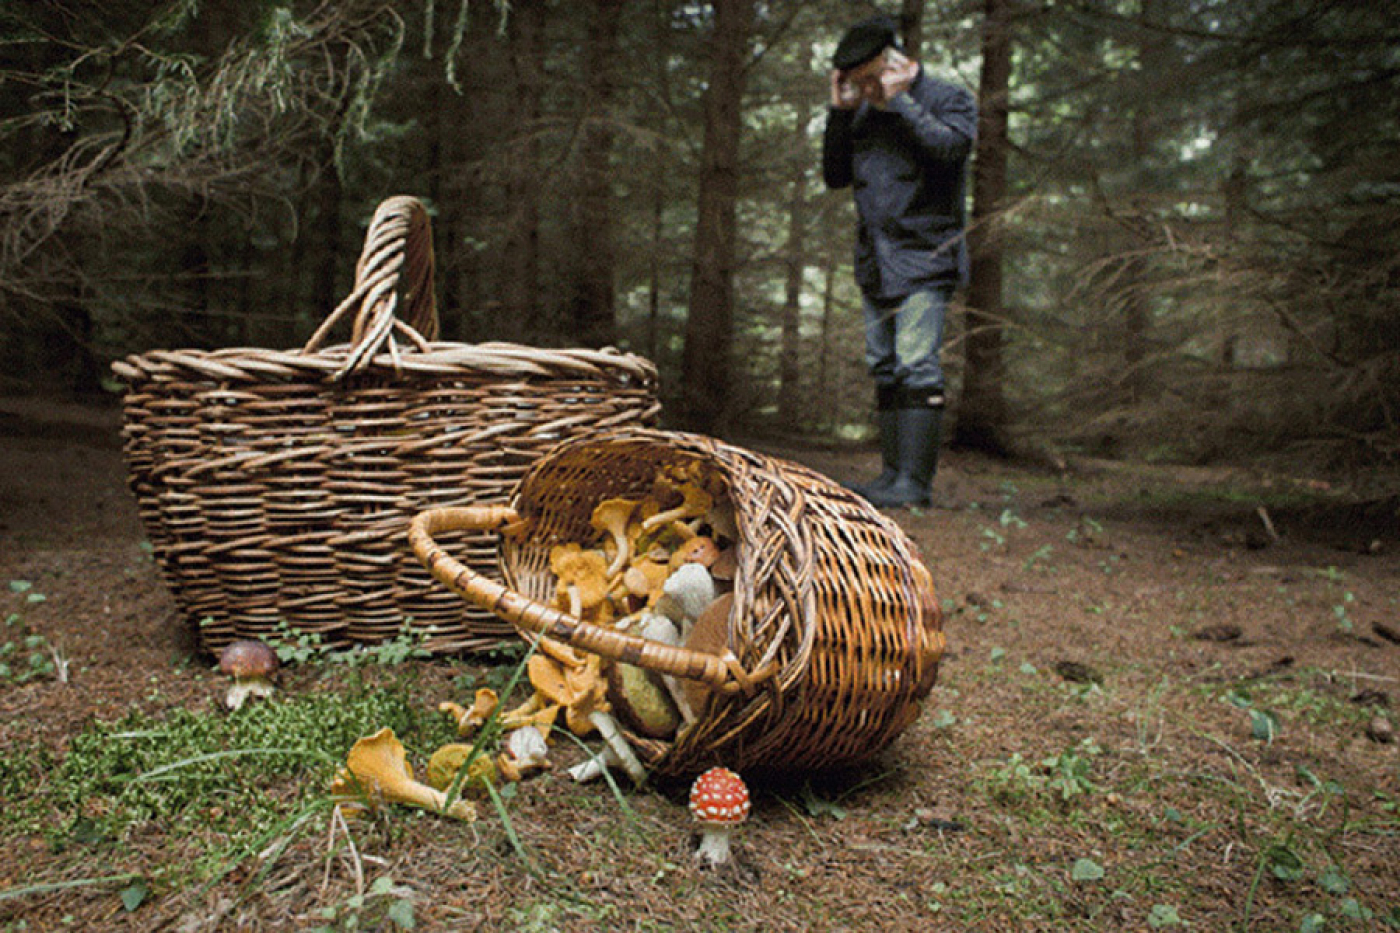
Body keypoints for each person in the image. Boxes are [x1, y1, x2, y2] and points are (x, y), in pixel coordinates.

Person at [822, 15, 976, 508]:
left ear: (894, 62)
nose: (865, 89)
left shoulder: (945, 97)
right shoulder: (861, 112)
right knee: (885, 366)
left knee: (916, 365)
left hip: (926, 257)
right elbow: (834, 175)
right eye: (855, 82)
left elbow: (951, 151)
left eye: (869, 78)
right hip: (876, 261)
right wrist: (840, 112)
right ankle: (892, 477)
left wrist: (902, 101)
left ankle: (914, 484)